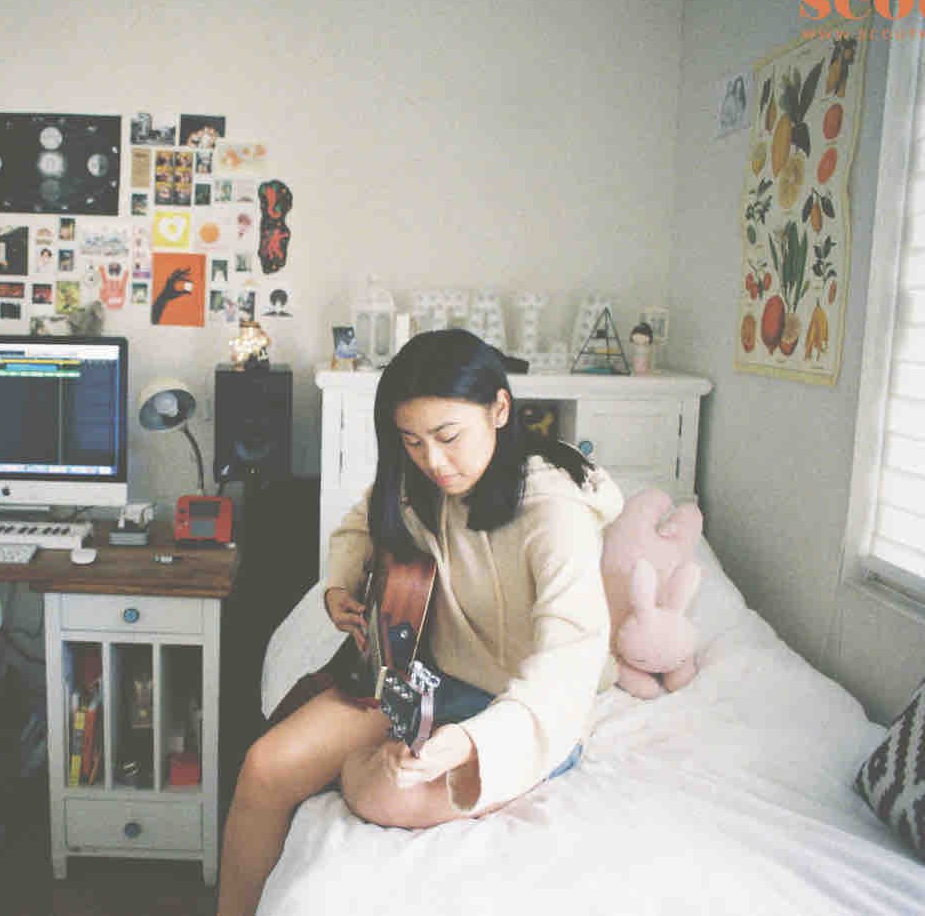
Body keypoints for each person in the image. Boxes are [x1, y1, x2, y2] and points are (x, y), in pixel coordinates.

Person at [216, 329, 623, 916]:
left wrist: (471, 742)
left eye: (447, 436)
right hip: (428, 681)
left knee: (381, 790)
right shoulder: (418, 481)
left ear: (499, 410)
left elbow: (570, 664)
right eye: (412, 441)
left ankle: (378, 766)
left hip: (523, 708)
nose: (433, 461)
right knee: (264, 767)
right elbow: (358, 526)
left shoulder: (553, 510)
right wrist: (338, 586)